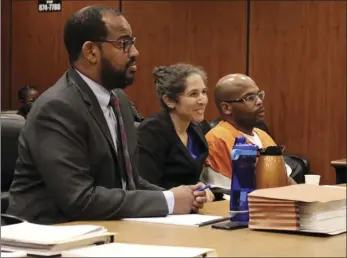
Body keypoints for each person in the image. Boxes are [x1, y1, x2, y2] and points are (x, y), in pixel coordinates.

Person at [7, 6, 207, 224]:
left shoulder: (118, 100)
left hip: (103, 229)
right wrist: (167, 200)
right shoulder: (57, 108)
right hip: (48, 235)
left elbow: (127, 182)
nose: (134, 52)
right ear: (91, 51)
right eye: (124, 43)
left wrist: (181, 196)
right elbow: (79, 199)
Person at [202, 73, 296, 188]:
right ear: (226, 108)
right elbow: (226, 192)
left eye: (259, 95)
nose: (259, 101)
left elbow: (285, 181)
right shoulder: (216, 140)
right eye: (250, 98)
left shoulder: (262, 135)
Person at [137, 64, 215, 202]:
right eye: (193, 94)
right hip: (158, 211)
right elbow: (143, 185)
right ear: (170, 101)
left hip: (188, 211)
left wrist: (203, 191)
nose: (202, 100)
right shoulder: (152, 131)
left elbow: (192, 179)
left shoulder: (198, 129)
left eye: (204, 92)